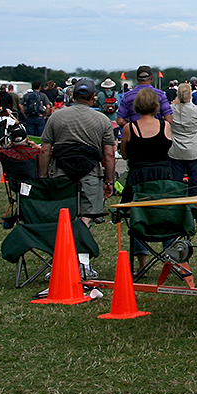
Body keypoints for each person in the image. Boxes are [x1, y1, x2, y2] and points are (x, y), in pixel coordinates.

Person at [37, 79, 117, 278]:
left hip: (62, 172)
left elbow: (45, 149)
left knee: (64, 217)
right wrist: (109, 181)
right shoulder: (102, 120)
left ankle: (61, 263)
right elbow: (108, 154)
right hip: (90, 173)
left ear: (72, 96)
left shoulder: (56, 117)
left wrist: (44, 176)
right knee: (86, 218)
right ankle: (83, 263)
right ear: (92, 97)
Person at [120, 87, 184, 275]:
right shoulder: (165, 126)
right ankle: (172, 257)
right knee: (165, 215)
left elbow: (124, 154)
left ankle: (141, 264)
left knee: (138, 218)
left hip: (138, 177)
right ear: (156, 105)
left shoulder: (129, 128)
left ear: (136, 105)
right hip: (163, 177)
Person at [168, 82, 197, 196]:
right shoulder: (196, 110)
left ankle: (177, 206)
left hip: (176, 149)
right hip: (194, 149)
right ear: (190, 95)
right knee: (195, 181)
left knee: (176, 182)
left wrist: (176, 100)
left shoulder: (171, 110)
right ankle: (196, 208)